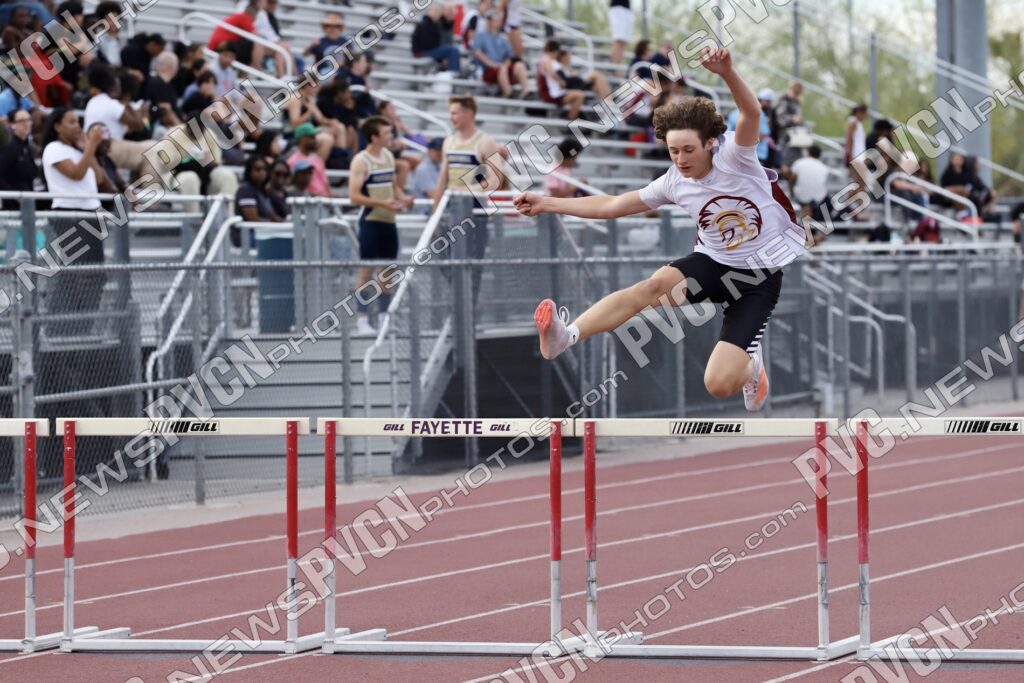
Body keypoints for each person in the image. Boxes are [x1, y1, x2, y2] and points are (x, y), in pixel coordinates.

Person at [514, 47, 807, 412]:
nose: (681, 160)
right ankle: (567, 336)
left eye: (688, 150)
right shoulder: (673, 181)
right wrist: (547, 203)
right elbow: (611, 206)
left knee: (718, 385)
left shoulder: (736, 156)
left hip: (758, 276)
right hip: (712, 263)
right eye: (673, 151)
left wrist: (727, 73)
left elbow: (752, 113)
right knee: (651, 287)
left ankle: (751, 367)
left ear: (710, 143)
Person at [40, 108, 115, 336]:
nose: (77, 126)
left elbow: (99, 178)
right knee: (76, 275)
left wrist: (87, 148)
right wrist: (91, 145)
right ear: (57, 126)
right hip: (69, 214)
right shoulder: (53, 149)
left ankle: (83, 328)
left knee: (96, 275)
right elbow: (75, 174)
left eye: (78, 122)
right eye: (71, 122)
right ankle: (59, 329)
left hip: (91, 215)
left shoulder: (79, 150)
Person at [432, 95, 505, 298]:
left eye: (455, 113)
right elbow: (442, 179)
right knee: (445, 259)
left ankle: (469, 304)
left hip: (474, 212)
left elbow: (495, 180)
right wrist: (434, 213)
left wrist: (466, 189)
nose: (451, 117)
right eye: (450, 113)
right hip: (451, 210)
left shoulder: (485, 142)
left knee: (473, 264)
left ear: (469, 113)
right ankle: (460, 300)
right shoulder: (449, 142)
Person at [348, 116, 414, 335]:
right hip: (370, 220)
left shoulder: (387, 155)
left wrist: (404, 199)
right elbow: (354, 196)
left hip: (388, 220)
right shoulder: (361, 161)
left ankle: (385, 320)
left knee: (388, 271)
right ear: (374, 137)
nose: (391, 136)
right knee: (366, 270)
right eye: (387, 133)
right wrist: (382, 203)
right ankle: (362, 321)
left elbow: (393, 186)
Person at [472, 11, 528, 98]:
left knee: (519, 66)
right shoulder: (480, 36)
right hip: (488, 70)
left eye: (493, 20)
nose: (491, 22)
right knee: (502, 69)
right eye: (490, 20)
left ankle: (525, 92)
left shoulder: (503, 38)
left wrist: (504, 65)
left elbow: (509, 56)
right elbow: (477, 52)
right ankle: (509, 93)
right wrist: (491, 64)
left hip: (501, 69)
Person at [207, 0, 269, 73]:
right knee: (256, 45)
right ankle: (256, 70)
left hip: (223, 45)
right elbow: (256, 36)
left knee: (251, 47)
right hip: (220, 46)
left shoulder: (241, 17)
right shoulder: (244, 17)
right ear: (253, 14)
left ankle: (250, 72)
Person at [0, 108, 39, 208]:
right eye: (22, 121)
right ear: (12, 124)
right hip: (13, 206)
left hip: (28, 202)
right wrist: (15, 195)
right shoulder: (9, 148)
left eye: (28, 120)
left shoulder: (28, 147)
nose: (27, 124)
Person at [537, 39, 585, 119]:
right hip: (551, 95)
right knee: (579, 95)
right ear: (556, 51)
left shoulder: (547, 60)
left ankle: (571, 118)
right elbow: (552, 73)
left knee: (579, 95)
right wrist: (561, 81)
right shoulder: (546, 60)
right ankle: (570, 119)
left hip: (554, 92)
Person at [411, 4, 460, 75]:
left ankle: (452, 74)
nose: (436, 13)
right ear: (429, 12)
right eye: (434, 11)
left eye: (438, 12)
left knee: (452, 50)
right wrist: (441, 57)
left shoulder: (435, 24)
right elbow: (428, 44)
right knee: (452, 50)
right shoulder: (424, 24)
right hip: (422, 53)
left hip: (428, 51)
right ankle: (453, 75)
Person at [287, 123, 331, 197]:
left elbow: (326, 184)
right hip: (307, 199)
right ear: (302, 139)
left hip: (324, 199)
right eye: (311, 137)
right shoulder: (292, 161)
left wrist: (330, 195)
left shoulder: (318, 159)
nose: (314, 139)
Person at [789, 145, 830, 223]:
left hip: (801, 196)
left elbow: (791, 179)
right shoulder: (824, 167)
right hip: (819, 198)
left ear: (808, 152)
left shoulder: (799, 163)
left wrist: (792, 192)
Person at [775, 80, 804, 166]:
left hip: (794, 136)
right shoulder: (784, 99)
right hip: (784, 136)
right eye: (795, 92)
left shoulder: (796, 102)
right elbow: (780, 119)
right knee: (783, 160)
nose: (796, 95)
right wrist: (792, 118)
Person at [412, 137, 443, 212]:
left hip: (438, 210)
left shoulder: (442, 166)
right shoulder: (423, 169)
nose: (438, 153)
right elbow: (433, 195)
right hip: (425, 212)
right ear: (429, 151)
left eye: (441, 150)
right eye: (436, 150)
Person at [608, 0, 632, 65]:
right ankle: (614, 65)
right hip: (618, 8)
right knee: (618, 39)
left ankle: (618, 64)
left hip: (626, 8)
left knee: (623, 41)